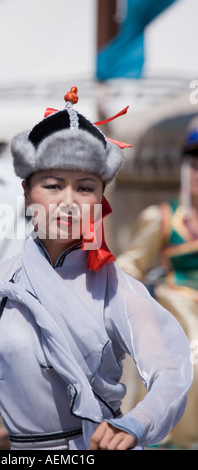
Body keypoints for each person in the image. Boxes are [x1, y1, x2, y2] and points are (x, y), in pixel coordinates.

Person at [0, 88, 192, 451]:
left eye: (85, 188)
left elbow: (170, 372)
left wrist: (135, 422)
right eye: (53, 186)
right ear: (26, 192)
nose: (68, 201)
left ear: (100, 200)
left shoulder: (117, 288)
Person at [117, 116, 198, 449]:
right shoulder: (164, 217)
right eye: (195, 165)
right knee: (194, 354)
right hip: (178, 305)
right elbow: (130, 264)